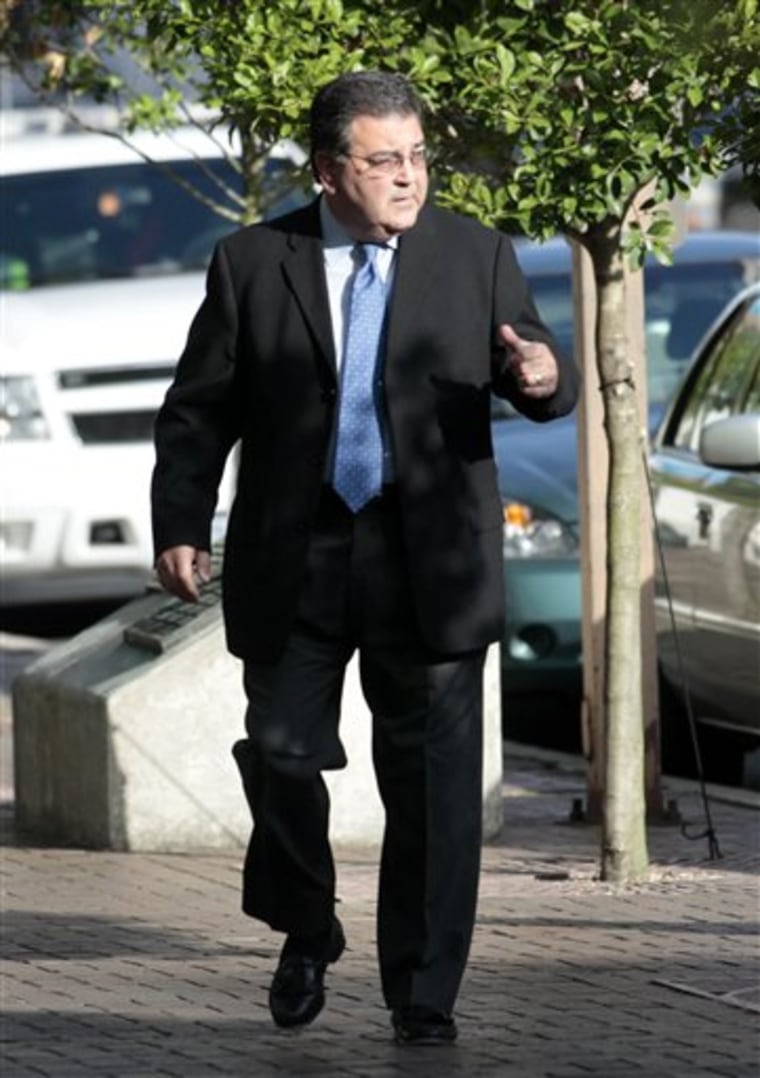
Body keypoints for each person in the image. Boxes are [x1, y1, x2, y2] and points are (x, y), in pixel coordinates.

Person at [151, 69, 578, 1046]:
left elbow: (541, 372)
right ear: (330, 170)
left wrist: (543, 374)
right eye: (384, 159)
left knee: (431, 790)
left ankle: (422, 995)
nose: (409, 176)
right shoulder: (255, 261)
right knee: (283, 752)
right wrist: (180, 520)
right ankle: (306, 921)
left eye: (418, 155)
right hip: (295, 558)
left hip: (430, 561)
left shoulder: (475, 256)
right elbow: (199, 409)